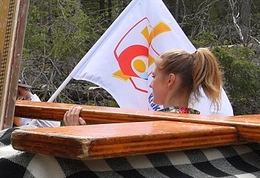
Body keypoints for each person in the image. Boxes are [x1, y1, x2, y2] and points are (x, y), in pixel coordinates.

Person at [63, 47, 224, 125]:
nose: (151, 84)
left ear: (170, 81)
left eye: (154, 77)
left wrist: (75, 132)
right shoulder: (200, 123)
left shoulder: (158, 125)